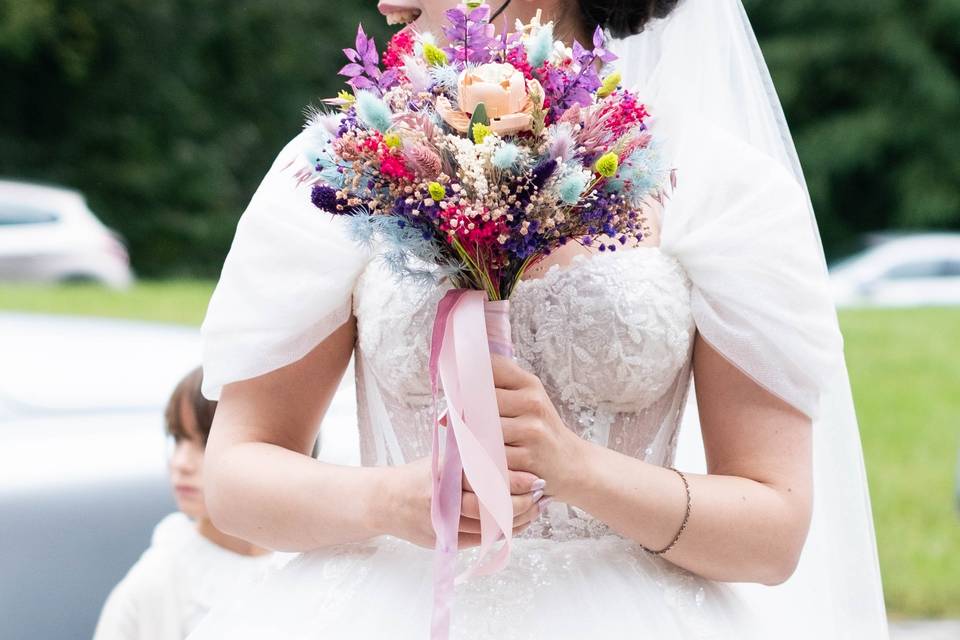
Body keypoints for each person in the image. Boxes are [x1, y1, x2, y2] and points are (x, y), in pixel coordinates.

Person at [188, 0, 889, 637]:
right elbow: (235, 477)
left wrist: (577, 469)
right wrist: (390, 500)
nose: (388, 3)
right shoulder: (345, 172)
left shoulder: (722, 190)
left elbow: (773, 535)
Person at [93, 367, 286, 640]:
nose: (181, 462)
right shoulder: (155, 583)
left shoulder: (316, 566)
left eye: (207, 441)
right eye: (178, 437)